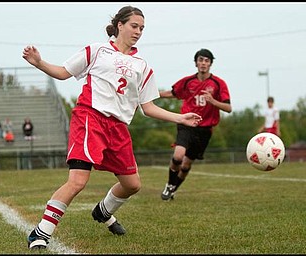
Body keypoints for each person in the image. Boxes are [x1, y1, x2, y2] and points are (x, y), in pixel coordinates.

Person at [22, 5, 201, 250]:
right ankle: (41, 232)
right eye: (134, 26)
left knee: (132, 184)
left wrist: (180, 118)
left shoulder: (142, 66)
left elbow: (147, 107)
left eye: (142, 28)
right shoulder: (97, 50)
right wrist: (39, 62)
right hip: (90, 118)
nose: (138, 31)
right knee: (77, 181)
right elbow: (63, 73)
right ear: (120, 25)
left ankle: (103, 212)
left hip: (118, 128)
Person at [159, 48, 232, 201]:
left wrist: (213, 101)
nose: (203, 63)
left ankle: (172, 189)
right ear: (196, 63)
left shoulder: (218, 84)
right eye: (200, 60)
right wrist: (152, 95)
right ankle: (169, 185)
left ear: (211, 64)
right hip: (187, 123)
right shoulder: (187, 82)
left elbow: (228, 108)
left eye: (206, 60)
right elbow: (172, 93)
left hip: (205, 129)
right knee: (178, 155)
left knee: (185, 165)